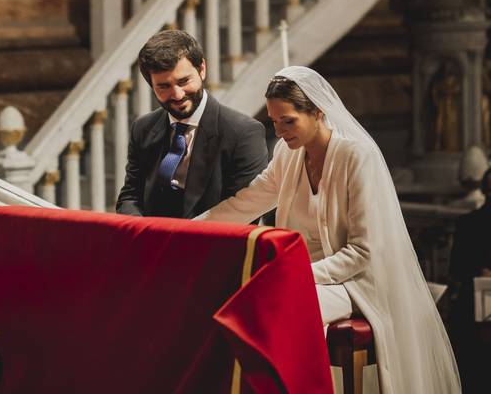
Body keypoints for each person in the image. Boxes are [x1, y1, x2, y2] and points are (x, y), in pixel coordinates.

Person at [195, 66, 459, 394]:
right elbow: (246, 202)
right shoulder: (287, 156)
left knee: (271, 305)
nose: (279, 131)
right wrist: (192, 229)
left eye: (288, 121)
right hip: (303, 276)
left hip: (357, 282)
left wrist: (298, 273)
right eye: (274, 122)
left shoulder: (356, 158)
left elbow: (363, 253)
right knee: (238, 297)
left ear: (318, 112)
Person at [116, 30, 268, 219]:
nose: (178, 94)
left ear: (202, 69)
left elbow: (246, 211)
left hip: (211, 243)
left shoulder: (243, 133)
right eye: (164, 86)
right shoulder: (142, 128)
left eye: (184, 81)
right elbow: (130, 196)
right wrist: (142, 234)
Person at [449, 168, 491, 392]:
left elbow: (456, 268)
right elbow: (457, 268)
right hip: (474, 304)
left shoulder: (467, 223)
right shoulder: (468, 223)